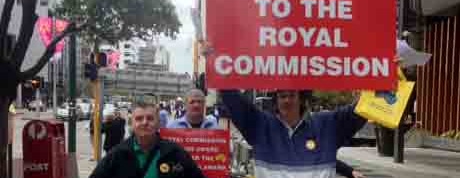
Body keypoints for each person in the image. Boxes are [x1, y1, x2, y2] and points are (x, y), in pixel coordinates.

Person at [221, 90, 366, 178]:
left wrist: (380, 82)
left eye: (291, 95)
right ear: (276, 100)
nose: (287, 100)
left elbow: (361, 111)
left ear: (301, 98)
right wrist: (214, 59)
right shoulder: (260, 126)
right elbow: (233, 100)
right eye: (282, 96)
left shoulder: (326, 124)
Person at [89, 101, 206, 178]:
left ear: (158, 123)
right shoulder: (116, 155)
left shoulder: (175, 153)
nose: (145, 122)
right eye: (139, 119)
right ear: (131, 124)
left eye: (150, 118)